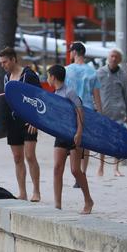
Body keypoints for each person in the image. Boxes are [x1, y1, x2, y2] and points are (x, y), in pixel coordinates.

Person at [47, 65, 94, 214]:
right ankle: (57, 205)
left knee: (75, 170)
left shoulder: (69, 92)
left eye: (48, 76)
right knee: (57, 168)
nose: (47, 79)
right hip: (61, 135)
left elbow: (80, 110)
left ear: (53, 77)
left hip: (73, 135)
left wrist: (79, 132)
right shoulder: (54, 94)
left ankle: (88, 200)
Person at [0, 47, 42, 202]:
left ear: (13, 59)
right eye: (1, 62)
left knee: (30, 156)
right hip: (13, 121)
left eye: (5, 62)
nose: (2, 65)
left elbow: (39, 98)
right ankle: (22, 192)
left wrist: (35, 120)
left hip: (29, 121)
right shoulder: (6, 77)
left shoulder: (29, 75)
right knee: (17, 158)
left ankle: (36, 191)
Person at [65, 42, 102, 184]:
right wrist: (100, 113)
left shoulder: (67, 70)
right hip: (87, 110)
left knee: (73, 142)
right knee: (85, 143)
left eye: (70, 51)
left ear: (74, 52)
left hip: (70, 110)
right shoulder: (92, 71)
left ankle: (75, 173)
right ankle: (83, 173)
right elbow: (96, 95)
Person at [96, 48, 127, 177]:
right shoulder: (99, 73)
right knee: (102, 141)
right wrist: (95, 109)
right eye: (112, 56)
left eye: (116, 57)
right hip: (103, 112)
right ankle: (101, 167)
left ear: (120, 59)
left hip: (119, 113)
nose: (114, 59)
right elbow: (94, 92)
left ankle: (116, 168)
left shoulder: (123, 75)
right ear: (108, 57)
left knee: (117, 141)